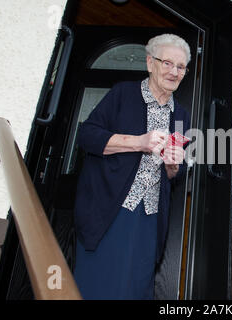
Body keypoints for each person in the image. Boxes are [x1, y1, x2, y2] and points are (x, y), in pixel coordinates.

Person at [73, 33, 191, 300]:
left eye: (181, 66)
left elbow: (174, 174)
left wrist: (174, 165)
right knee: (97, 284)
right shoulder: (122, 93)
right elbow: (88, 136)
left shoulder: (181, 115)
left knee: (136, 289)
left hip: (150, 217)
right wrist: (139, 142)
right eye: (167, 63)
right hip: (110, 209)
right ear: (150, 63)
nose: (174, 72)